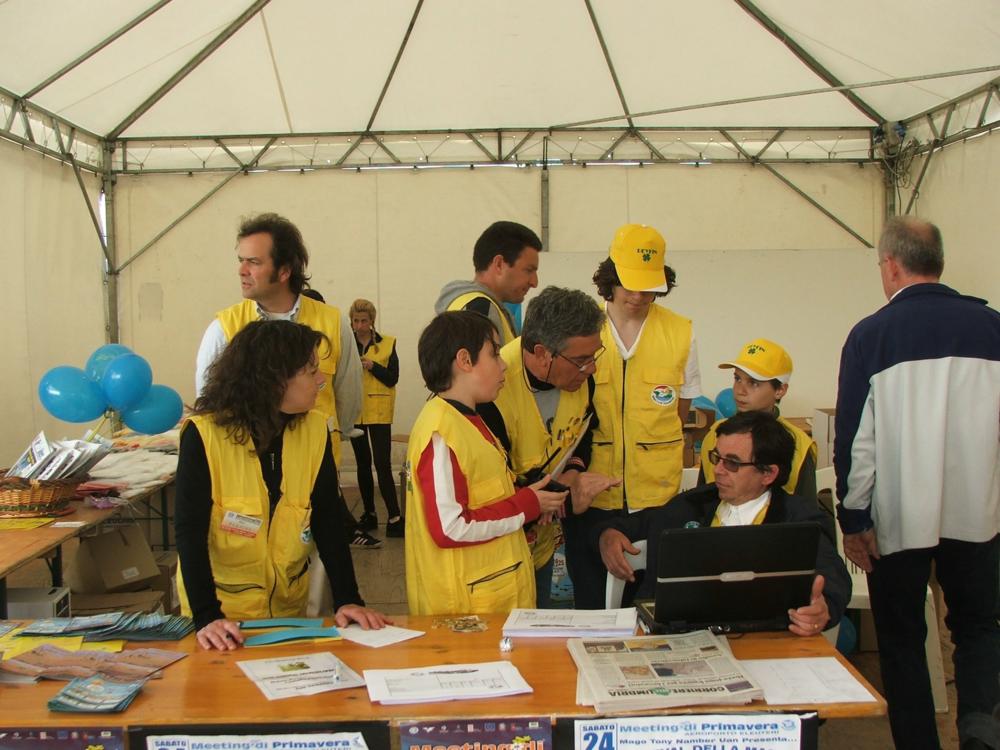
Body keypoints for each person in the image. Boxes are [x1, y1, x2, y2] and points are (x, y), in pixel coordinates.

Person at [835, 216, 1000, 750]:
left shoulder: (871, 335)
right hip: (980, 516)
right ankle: (980, 733)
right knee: (979, 629)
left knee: (904, 639)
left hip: (898, 521)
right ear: (940, 263)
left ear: (890, 265)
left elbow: (857, 443)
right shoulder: (993, 328)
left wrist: (853, 520)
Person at [175, 320, 389, 651]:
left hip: (288, 617)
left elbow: (328, 520)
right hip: (222, 623)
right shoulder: (203, 435)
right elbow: (190, 534)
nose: (321, 380)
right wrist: (207, 616)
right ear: (273, 379)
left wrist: (348, 599)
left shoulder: (315, 429)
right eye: (311, 371)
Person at [193, 214, 380, 549]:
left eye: (253, 262)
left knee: (318, 569)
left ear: (284, 271)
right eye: (241, 260)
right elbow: (209, 412)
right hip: (245, 484)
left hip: (313, 478)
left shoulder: (332, 323)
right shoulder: (224, 328)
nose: (242, 270)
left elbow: (349, 399)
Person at [594, 411, 850, 635]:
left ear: (768, 473)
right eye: (717, 458)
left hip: (764, 638)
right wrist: (609, 533)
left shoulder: (799, 519)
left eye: (733, 463)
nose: (718, 470)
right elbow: (634, 524)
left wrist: (823, 608)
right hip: (680, 637)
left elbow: (834, 577)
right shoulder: (691, 504)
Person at [564, 223, 702, 609]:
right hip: (591, 497)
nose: (639, 296)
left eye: (649, 287)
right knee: (593, 605)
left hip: (657, 500)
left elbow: (680, 412)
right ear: (610, 277)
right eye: (630, 284)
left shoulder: (681, 333)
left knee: (652, 608)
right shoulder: (582, 330)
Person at [404, 311, 568, 615]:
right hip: (466, 612)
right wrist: (526, 505)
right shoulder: (441, 432)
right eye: (494, 353)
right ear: (465, 360)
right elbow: (450, 527)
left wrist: (531, 494)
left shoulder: (469, 419)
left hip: (492, 598)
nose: (504, 364)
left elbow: (486, 492)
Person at [478, 287, 621, 607]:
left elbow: (584, 430)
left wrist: (573, 471)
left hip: (541, 546)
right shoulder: (491, 392)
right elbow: (486, 489)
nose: (592, 369)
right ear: (542, 353)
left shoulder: (582, 379)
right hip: (496, 557)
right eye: (582, 360)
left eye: (595, 356)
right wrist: (561, 496)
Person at [699, 339, 817, 503]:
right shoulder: (716, 433)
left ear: (780, 390)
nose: (740, 390)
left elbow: (806, 512)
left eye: (753, 383)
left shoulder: (799, 444)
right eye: (737, 379)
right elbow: (700, 499)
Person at [435, 221, 542, 345]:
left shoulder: (470, 305)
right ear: (499, 264)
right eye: (529, 270)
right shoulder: (480, 309)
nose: (534, 282)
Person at [348, 298, 403, 537]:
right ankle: (369, 514)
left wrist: (373, 366)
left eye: (364, 321)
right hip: (356, 411)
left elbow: (392, 378)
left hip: (380, 412)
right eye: (356, 321)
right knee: (362, 464)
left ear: (372, 321)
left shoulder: (387, 344)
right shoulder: (346, 344)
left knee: (382, 464)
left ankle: (394, 517)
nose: (359, 325)